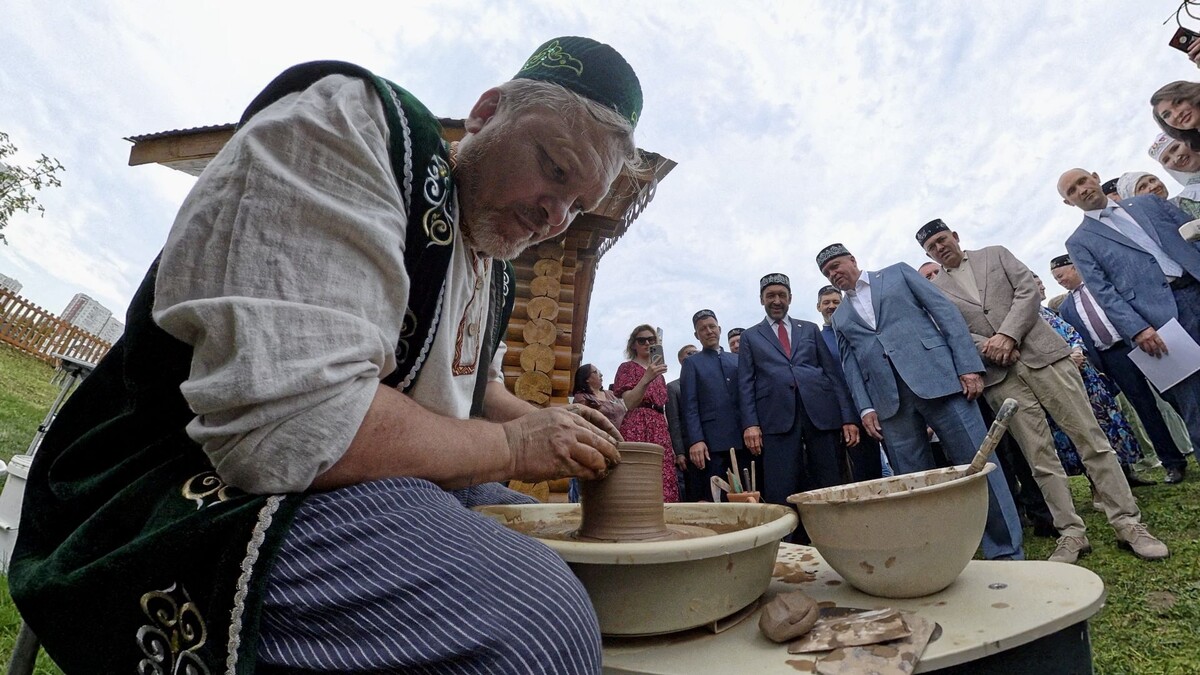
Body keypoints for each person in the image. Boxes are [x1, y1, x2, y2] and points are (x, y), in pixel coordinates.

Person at [11, 37, 642, 673]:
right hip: (180, 483)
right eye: (555, 170)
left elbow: (476, 389)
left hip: (362, 476)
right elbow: (294, 427)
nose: (555, 215)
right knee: (538, 615)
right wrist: (515, 448)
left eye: (579, 205)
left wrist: (557, 423)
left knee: (569, 548)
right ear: (486, 112)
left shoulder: (489, 271)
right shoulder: (355, 128)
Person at [922, 219, 1169, 563]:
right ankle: (1070, 533)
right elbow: (952, 331)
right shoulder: (936, 290)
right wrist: (990, 347)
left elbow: (1026, 291)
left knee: (1091, 440)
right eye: (931, 247)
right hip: (1001, 377)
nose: (939, 248)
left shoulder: (995, 255)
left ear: (955, 236)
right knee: (1039, 458)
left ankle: (1128, 523)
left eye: (941, 240)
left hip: (1046, 357)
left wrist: (1008, 335)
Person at [819, 242, 1024, 560]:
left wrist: (968, 366)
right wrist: (866, 407)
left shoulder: (897, 274)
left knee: (977, 465)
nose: (833, 274)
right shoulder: (841, 316)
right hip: (891, 406)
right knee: (915, 486)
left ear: (852, 260)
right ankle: (939, 556)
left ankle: (1005, 550)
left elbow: (945, 313)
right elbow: (851, 366)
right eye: (826, 272)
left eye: (836, 266)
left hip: (940, 382)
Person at [1059, 167, 1200, 473]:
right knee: (1194, 402)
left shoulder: (1147, 204)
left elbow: (1194, 232)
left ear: (1095, 177)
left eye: (1082, 181)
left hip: (1195, 286)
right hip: (1160, 323)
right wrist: (1137, 329)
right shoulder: (1080, 242)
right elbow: (1104, 291)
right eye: (1072, 191)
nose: (1081, 189)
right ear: (1069, 203)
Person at [1051, 254, 1192, 484]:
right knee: (1145, 409)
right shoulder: (1067, 307)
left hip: (1139, 344)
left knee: (1176, 396)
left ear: (1074, 268)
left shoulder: (1104, 286)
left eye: (1060, 275)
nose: (1059, 281)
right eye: (1056, 279)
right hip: (1113, 359)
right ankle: (1172, 463)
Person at [738, 273, 859, 512]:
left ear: (790, 298)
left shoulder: (810, 329)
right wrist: (750, 424)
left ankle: (835, 533)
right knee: (781, 485)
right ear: (761, 299)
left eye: (782, 295)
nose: (776, 300)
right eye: (770, 295)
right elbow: (745, 383)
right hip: (776, 418)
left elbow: (832, 375)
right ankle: (787, 541)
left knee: (829, 479)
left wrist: (847, 418)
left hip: (820, 415)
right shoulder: (750, 336)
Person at [1031, 273, 1149, 484]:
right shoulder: (1027, 318)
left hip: (1087, 378)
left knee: (1109, 423)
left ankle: (1126, 472)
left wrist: (1077, 350)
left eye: (1040, 281)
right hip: (1062, 380)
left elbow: (1071, 333)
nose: (1041, 285)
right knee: (1083, 431)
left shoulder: (1048, 312)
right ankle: (1100, 484)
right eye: (1035, 283)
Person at [815, 284, 883, 482]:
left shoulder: (859, 328)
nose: (831, 306)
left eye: (836, 302)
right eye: (826, 302)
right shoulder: (816, 339)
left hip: (878, 406)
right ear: (818, 307)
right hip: (845, 416)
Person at [680, 310, 748, 494]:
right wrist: (696, 440)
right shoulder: (692, 363)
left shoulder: (737, 360)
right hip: (712, 444)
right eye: (703, 329)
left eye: (712, 326)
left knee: (748, 493)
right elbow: (690, 405)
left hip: (743, 439)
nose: (709, 331)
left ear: (719, 328)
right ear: (697, 335)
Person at [615, 324, 680, 502]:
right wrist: (646, 378)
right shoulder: (627, 368)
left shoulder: (660, 375)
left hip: (659, 426)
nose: (646, 343)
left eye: (651, 340)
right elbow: (629, 402)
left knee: (663, 475)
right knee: (637, 475)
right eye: (641, 340)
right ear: (633, 345)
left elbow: (663, 408)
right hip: (637, 423)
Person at [571, 363, 629, 502]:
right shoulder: (581, 398)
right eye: (596, 372)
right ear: (587, 379)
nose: (601, 375)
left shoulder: (610, 394)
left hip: (620, 441)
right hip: (598, 444)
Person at [666, 344, 699, 499]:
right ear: (681, 359)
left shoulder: (706, 382)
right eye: (689, 353)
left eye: (696, 352)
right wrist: (679, 452)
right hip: (687, 448)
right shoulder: (673, 387)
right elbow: (674, 421)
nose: (694, 355)